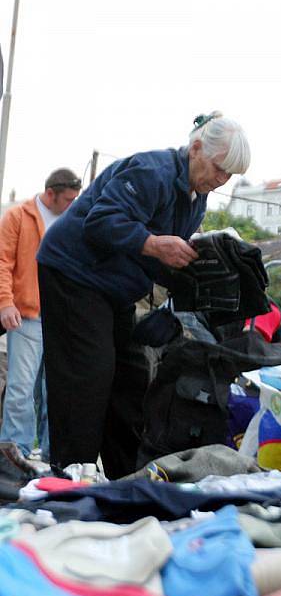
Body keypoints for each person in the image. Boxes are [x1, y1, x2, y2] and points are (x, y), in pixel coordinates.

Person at [37, 112, 250, 478]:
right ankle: (71, 479)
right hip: (75, 273)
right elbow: (100, 221)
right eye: (219, 169)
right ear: (196, 148)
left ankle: (127, 479)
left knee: (132, 379)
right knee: (88, 378)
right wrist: (152, 243)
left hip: (115, 287)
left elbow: (162, 259)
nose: (221, 180)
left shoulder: (195, 199)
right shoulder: (152, 172)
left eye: (229, 175)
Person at [0, 169, 81, 461]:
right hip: (27, 318)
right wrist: (5, 302)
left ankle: (53, 458)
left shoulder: (74, 220)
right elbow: (2, 261)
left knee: (55, 393)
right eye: (69, 199)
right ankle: (15, 456)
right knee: (21, 391)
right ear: (51, 194)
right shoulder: (18, 216)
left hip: (63, 320)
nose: (73, 204)